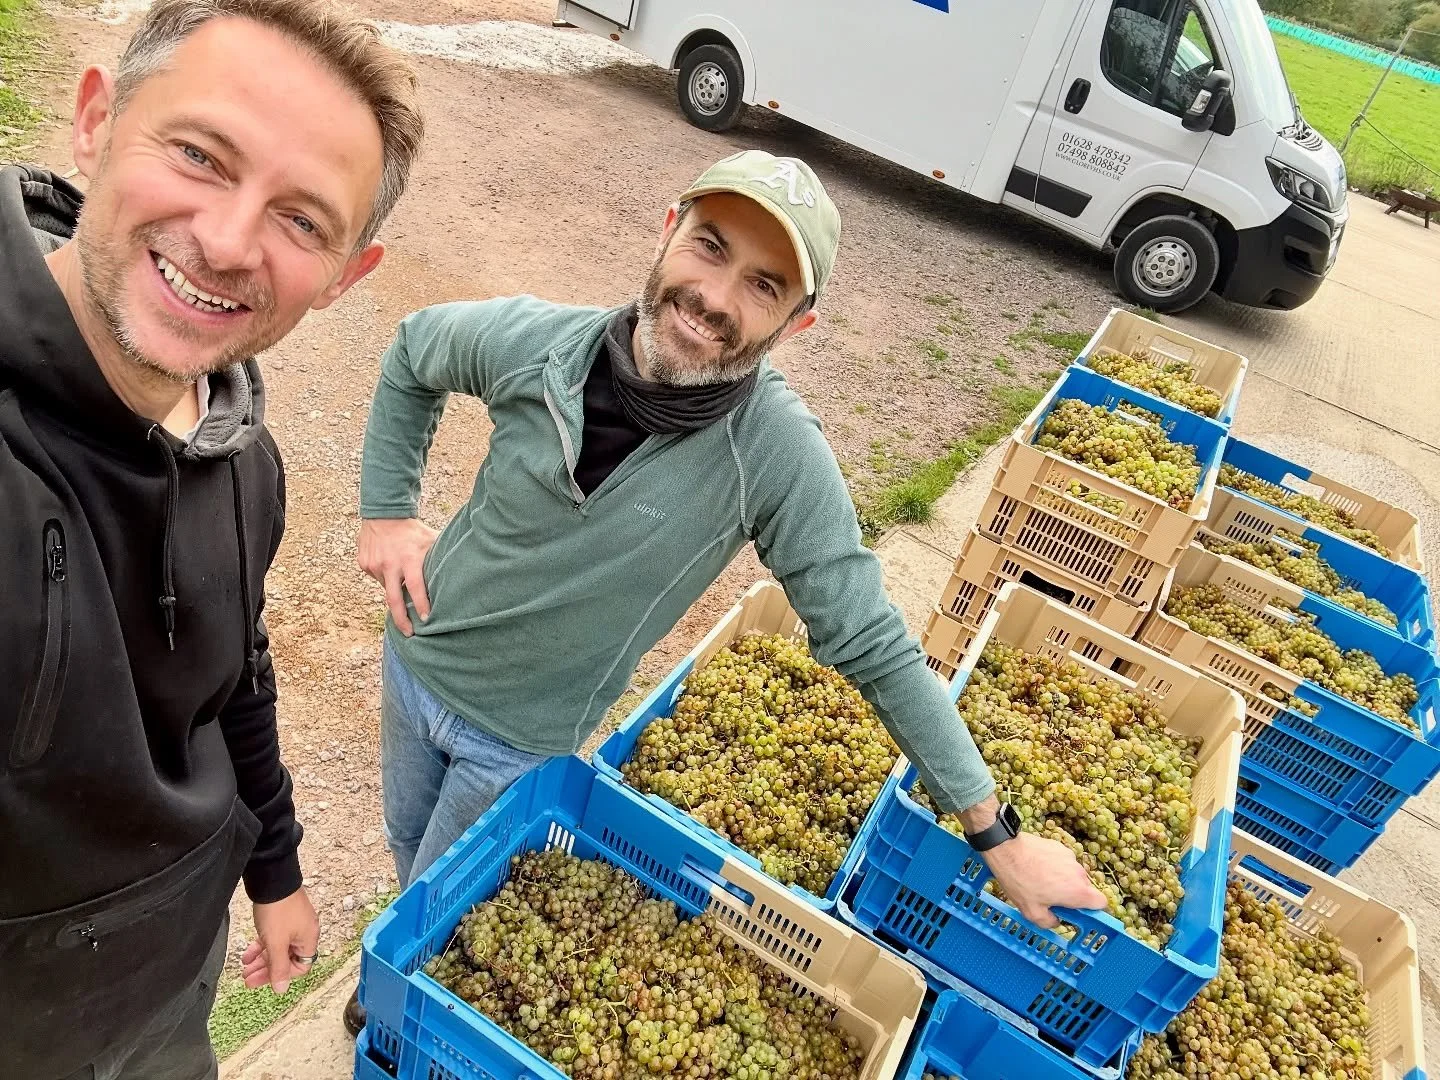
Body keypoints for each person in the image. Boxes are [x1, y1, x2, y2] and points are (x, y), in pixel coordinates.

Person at [350, 149, 1105, 1036]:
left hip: (517, 744)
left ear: (798, 323)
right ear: (669, 231)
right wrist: (387, 512)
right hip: (415, 658)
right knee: (407, 847)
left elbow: (868, 638)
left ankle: (385, 1007)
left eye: (763, 284)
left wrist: (996, 834)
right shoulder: (537, 343)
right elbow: (412, 354)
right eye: (709, 247)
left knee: (438, 902)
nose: (716, 297)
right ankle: (396, 959)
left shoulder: (774, 453)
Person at [0, 0, 423, 1075]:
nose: (229, 243)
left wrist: (274, 866)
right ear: (96, 121)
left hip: (167, 994)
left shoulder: (245, 459)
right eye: (198, 153)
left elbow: (235, 672)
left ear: (343, 277)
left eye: (303, 221)